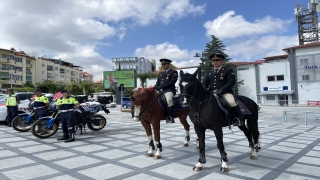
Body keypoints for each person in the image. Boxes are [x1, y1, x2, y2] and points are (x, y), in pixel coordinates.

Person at [202, 53, 244, 126]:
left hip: (224, 93)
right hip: (211, 93)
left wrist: (221, 90)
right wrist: (204, 90)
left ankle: (239, 119)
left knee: (231, 102)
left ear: (222, 61)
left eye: (217, 60)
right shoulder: (210, 72)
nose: (215, 62)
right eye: (213, 60)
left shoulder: (228, 70)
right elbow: (205, 83)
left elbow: (231, 82)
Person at [153, 58, 178, 123]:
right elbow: (157, 83)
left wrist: (161, 87)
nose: (163, 66)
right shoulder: (161, 74)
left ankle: (171, 116)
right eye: (162, 64)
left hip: (169, 90)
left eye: (165, 64)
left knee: (169, 99)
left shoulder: (173, 72)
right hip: (161, 90)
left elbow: (172, 82)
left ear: (169, 64)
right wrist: (153, 88)